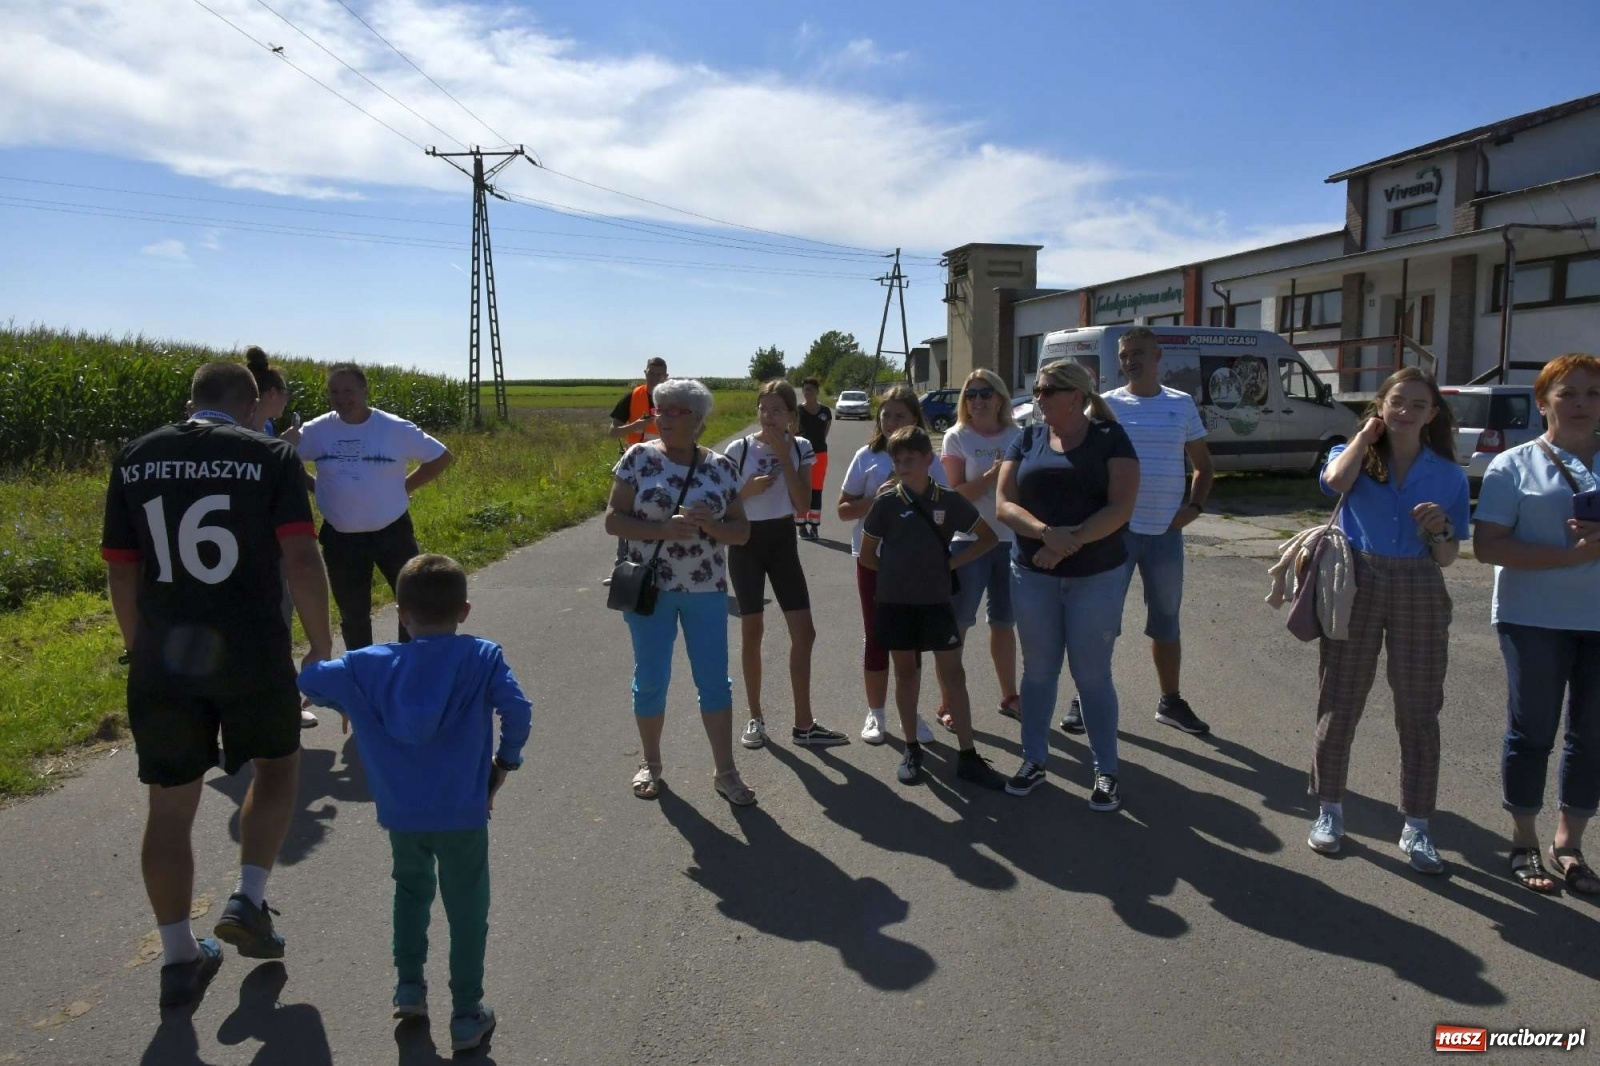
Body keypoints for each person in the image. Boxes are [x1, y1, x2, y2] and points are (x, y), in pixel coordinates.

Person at [99, 361, 334, 1009]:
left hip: (165, 657)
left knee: (170, 807)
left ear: (190, 401)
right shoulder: (268, 456)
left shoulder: (136, 457)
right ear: (253, 402)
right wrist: (319, 639)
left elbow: (122, 571)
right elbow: (301, 554)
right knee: (279, 769)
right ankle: (249, 898)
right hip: (252, 649)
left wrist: (137, 648)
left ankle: (178, 955)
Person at [296, 554, 531, 1051]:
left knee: (410, 890)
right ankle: (466, 1011)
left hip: (402, 813)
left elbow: (311, 679)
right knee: (468, 907)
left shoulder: (366, 667)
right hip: (464, 811)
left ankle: (409, 989)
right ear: (464, 610)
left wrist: (337, 683)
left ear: (401, 613)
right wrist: (502, 765)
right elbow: (518, 711)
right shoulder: (482, 657)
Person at [1309, 368, 1469, 874]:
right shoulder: (1354, 456)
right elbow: (1332, 483)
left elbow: (1448, 558)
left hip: (1420, 582)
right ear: (1381, 405)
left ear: (1432, 415)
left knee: (1419, 711)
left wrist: (1441, 529)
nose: (1405, 412)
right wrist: (1363, 436)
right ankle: (1329, 810)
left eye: (1417, 405)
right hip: (1356, 577)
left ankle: (1417, 824)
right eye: (1396, 402)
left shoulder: (1447, 474)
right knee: (1340, 700)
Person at [1473, 352, 1600, 895]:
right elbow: (1486, 546)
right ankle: (1524, 840)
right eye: (1568, 393)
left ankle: (1569, 845)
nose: (1581, 404)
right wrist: (1569, 558)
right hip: (1533, 619)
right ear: (1543, 401)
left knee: (1592, 738)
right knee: (1532, 733)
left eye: (1593, 394)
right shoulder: (1513, 464)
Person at [604, 378, 756, 804]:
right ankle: (650, 764)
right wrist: (662, 530)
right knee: (651, 679)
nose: (664, 419)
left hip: (706, 589)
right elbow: (613, 520)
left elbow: (742, 532)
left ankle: (725, 771)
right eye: (660, 410)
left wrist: (711, 526)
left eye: (676, 411)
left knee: (714, 683)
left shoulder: (721, 467)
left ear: (699, 420)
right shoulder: (638, 458)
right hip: (651, 589)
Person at [995, 360, 1139, 810]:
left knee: (1092, 674)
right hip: (1032, 575)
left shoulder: (1110, 438)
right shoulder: (1028, 437)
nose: (1037, 397)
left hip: (1095, 577)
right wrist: (1044, 534)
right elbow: (1003, 504)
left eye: (1045, 390)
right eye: (1036, 390)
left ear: (1075, 396)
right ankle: (1034, 760)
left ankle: (1106, 770)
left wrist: (1064, 544)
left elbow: (1120, 509)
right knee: (1038, 672)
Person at [1062, 327, 1215, 737]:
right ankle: (1083, 699)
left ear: (1157, 355)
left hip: (1165, 533)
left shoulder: (1181, 405)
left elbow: (1203, 465)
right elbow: (1084, 460)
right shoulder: (1106, 406)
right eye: (1125, 355)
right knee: (1101, 620)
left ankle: (1170, 701)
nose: (1130, 361)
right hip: (1116, 532)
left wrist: (1193, 508)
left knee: (1167, 619)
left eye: (1138, 353)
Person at [860, 426, 1008, 789]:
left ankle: (968, 756)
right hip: (895, 602)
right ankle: (912, 749)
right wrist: (899, 576)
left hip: (938, 601)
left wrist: (949, 566)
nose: (903, 465)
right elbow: (867, 556)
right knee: (906, 673)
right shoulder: (885, 503)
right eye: (897, 460)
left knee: (952, 674)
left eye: (910, 459)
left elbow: (987, 537)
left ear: (929, 459)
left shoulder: (948, 499)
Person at [298, 364, 454, 650]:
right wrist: (314, 485)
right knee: (352, 612)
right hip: (340, 537)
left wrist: (405, 486)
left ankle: (409, 663)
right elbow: (279, 456)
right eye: (334, 392)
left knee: (411, 602)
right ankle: (363, 671)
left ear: (365, 390)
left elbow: (441, 457)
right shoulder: (316, 431)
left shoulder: (394, 428)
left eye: (349, 391)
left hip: (392, 532)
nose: (342, 398)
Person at [726, 381, 846, 750]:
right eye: (764, 408)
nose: (769, 416)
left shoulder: (801, 447)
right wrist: (747, 490)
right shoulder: (739, 448)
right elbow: (723, 501)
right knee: (752, 630)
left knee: (804, 632)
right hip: (746, 542)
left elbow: (800, 503)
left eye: (777, 410)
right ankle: (755, 718)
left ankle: (803, 724)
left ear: (792, 416)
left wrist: (783, 455)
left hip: (781, 541)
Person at [837, 384, 949, 745]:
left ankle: (909, 714)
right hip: (872, 559)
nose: (890, 421)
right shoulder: (867, 456)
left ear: (915, 418)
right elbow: (842, 510)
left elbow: (947, 509)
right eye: (885, 414)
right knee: (877, 635)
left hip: (915, 563)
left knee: (910, 639)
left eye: (899, 415)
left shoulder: (931, 459)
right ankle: (877, 712)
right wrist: (876, 498)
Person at [940, 368, 1023, 725]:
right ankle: (949, 703)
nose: (977, 400)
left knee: (1004, 623)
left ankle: (1010, 696)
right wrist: (991, 477)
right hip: (969, 543)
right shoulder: (956, 437)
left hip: (1012, 542)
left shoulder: (1019, 435)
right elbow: (954, 494)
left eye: (984, 393)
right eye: (970, 394)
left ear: (1000, 397)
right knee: (958, 625)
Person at [245, 346, 317, 728]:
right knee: (276, 624)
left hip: (250, 544)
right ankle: (280, 706)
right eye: (284, 393)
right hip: (266, 542)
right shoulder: (252, 432)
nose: (286, 399)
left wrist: (316, 485)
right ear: (271, 394)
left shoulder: (265, 429)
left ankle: (269, 702)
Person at [604, 358, 670, 584]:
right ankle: (621, 569)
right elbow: (613, 432)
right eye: (651, 374)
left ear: (666, 377)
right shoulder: (633, 397)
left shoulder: (673, 399)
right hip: (635, 463)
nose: (655, 378)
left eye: (659, 375)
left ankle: (659, 567)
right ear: (645, 373)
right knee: (625, 513)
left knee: (661, 512)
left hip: (666, 462)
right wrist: (636, 427)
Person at [795, 377, 833, 539]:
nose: (807, 392)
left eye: (811, 389)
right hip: (802, 455)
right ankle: (801, 525)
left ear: (817, 391)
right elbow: (794, 431)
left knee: (816, 490)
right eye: (805, 389)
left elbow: (825, 432)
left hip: (820, 455)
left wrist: (817, 445)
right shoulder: (798, 411)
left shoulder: (825, 411)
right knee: (803, 490)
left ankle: (814, 526)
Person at [245, 346, 301, 447]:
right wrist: (282, 445)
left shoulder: (267, 427)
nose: (286, 400)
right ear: (273, 393)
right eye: (286, 393)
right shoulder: (243, 431)